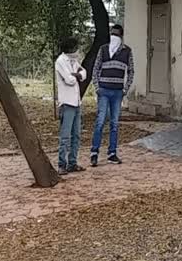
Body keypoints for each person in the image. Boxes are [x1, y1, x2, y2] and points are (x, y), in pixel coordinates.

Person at [90, 24, 134, 166]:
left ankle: (112, 153)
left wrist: (125, 90)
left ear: (121, 36)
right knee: (100, 121)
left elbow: (131, 71)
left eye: (116, 34)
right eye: (112, 34)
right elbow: (96, 68)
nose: (114, 37)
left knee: (114, 123)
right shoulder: (103, 49)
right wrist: (97, 87)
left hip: (117, 92)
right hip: (104, 90)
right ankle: (94, 152)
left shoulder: (127, 51)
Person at [55, 37, 87, 175]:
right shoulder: (61, 61)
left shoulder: (73, 61)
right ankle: (62, 163)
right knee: (65, 136)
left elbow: (84, 73)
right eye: (75, 48)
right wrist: (77, 76)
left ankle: (72, 162)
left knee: (76, 134)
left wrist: (77, 74)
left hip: (76, 101)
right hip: (67, 102)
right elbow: (69, 80)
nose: (77, 51)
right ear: (69, 49)